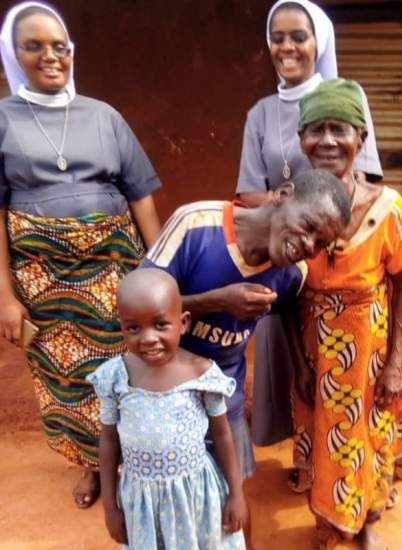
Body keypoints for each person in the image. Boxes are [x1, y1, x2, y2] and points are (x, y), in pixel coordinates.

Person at [0, 2, 162, 508]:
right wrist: (5, 295)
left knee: (128, 371)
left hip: (114, 272)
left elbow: (140, 195)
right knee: (69, 378)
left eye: (60, 46)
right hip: (44, 283)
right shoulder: (2, 119)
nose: (51, 56)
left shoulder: (104, 116)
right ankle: (92, 464)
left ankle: (131, 462)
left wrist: (159, 268)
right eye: (35, 46)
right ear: (13, 53)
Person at [140, 169, 351, 546]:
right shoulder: (195, 225)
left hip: (225, 397)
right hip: (163, 394)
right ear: (283, 194)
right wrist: (219, 301)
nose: (307, 244)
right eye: (307, 226)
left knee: (232, 498)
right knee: (169, 498)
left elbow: (286, 309)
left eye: (321, 242)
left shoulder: (292, 273)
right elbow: (138, 308)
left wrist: (301, 365)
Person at [235, 0, 383, 453]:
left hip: (340, 244)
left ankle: (346, 461)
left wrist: (325, 218)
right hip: (287, 246)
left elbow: (369, 178)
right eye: (277, 37)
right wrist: (291, 210)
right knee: (293, 359)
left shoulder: (347, 95)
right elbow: (246, 193)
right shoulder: (260, 113)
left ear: (320, 41)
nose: (287, 46)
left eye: (298, 36)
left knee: (344, 360)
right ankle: (304, 455)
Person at [289, 78, 402, 549]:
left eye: (339, 128)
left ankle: (368, 517)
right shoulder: (290, 200)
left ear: (361, 138)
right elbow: (283, 291)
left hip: (371, 341)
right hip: (312, 339)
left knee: (370, 429)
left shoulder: (388, 206)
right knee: (322, 435)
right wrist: (299, 362)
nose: (326, 141)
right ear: (301, 139)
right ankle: (331, 522)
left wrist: (396, 362)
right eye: (314, 129)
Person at [89, 269, 246, 549]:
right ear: (122, 327)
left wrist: (236, 494)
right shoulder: (114, 378)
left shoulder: (202, 374)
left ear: (183, 322)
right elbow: (109, 440)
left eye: (160, 325)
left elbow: (222, 437)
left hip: (197, 497)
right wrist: (111, 508)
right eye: (134, 328)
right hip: (143, 503)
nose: (148, 338)